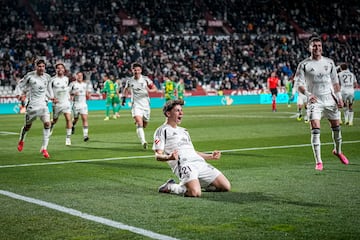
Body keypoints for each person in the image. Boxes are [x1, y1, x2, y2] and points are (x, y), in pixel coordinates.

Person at [153, 99, 231, 197]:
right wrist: (169, 157)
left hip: (200, 163)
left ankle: (194, 184)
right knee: (195, 193)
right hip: (185, 164)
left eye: (181, 110)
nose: (181, 113)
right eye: (177, 110)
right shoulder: (161, 131)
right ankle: (171, 186)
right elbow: (157, 155)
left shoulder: (184, 131)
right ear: (168, 113)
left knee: (226, 187)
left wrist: (211, 156)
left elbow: (193, 152)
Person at [294, 35, 349, 171]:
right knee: (315, 129)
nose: (317, 48)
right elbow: (298, 85)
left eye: (319, 45)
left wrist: (339, 98)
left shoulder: (329, 63)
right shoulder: (304, 64)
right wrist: (308, 94)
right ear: (309, 48)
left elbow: (335, 83)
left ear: (322, 47)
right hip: (315, 101)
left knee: (336, 128)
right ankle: (319, 161)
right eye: (314, 45)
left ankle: (338, 151)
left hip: (330, 100)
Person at [16, 59, 53, 158]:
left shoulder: (47, 77)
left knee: (47, 123)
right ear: (35, 66)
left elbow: (48, 90)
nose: (41, 68)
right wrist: (19, 94)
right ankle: (21, 140)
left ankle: (44, 148)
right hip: (32, 106)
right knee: (27, 126)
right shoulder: (30, 76)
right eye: (39, 66)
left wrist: (52, 97)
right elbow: (20, 85)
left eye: (43, 66)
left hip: (43, 105)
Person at [122, 62, 157, 149]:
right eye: (135, 70)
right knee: (139, 122)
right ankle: (143, 142)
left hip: (146, 105)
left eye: (138, 70)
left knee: (144, 125)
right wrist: (123, 99)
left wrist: (149, 90)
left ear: (140, 70)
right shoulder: (129, 81)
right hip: (136, 105)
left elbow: (155, 88)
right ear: (132, 70)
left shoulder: (146, 79)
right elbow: (126, 90)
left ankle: (139, 125)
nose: (136, 71)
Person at [49, 63, 73, 146]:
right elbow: (49, 90)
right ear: (56, 70)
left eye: (61, 68)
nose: (60, 70)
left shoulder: (67, 79)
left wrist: (69, 96)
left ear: (64, 69)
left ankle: (68, 138)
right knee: (55, 120)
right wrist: (52, 98)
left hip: (66, 102)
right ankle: (51, 126)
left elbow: (67, 89)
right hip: (57, 103)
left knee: (68, 119)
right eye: (58, 68)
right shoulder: (52, 80)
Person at [69, 71, 91, 142]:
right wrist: (73, 93)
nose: (80, 77)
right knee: (76, 119)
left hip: (83, 104)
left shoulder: (85, 84)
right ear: (76, 76)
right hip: (75, 104)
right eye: (78, 75)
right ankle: (73, 125)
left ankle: (85, 135)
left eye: (81, 75)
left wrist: (88, 95)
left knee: (84, 119)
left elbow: (87, 93)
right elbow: (68, 92)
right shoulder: (72, 84)